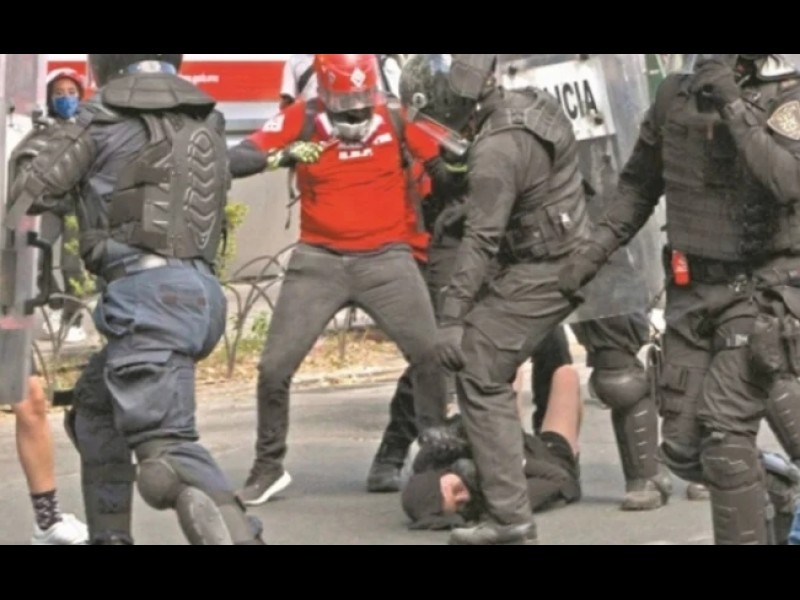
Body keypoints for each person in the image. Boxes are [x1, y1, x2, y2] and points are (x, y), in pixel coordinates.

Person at [8, 53, 264, 545]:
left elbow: (31, 190)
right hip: (200, 296)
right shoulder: (205, 120)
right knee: (95, 410)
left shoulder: (97, 121)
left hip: (147, 300)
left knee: (166, 457)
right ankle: (109, 537)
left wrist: (38, 136)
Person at [557, 53, 800, 544]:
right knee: (684, 450)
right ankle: (782, 494)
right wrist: (588, 257)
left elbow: (787, 180)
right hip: (693, 294)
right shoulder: (675, 95)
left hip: (762, 289)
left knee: (725, 438)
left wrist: (732, 103)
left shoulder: (789, 96)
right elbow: (637, 187)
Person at [227, 54, 455, 507]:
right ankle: (268, 466)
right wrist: (281, 156)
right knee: (273, 368)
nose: (355, 112)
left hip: (387, 257)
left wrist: (453, 167)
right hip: (319, 259)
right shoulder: (303, 117)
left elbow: (447, 165)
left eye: (362, 101)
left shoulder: (396, 115)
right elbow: (236, 158)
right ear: (325, 94)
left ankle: (434, 457)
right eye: (345, 104)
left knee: (431, 355)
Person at [398, 54, 607, 545]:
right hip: (557, 255)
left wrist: (452, 318)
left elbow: (481, 241)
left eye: (435, 114)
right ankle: (509, 505)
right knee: (488, 362)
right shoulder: (529, 105)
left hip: (545, 267)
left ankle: (511, 518)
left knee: (477, 365)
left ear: (452, 101)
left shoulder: (495, 149)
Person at [401, 365, 582, 532]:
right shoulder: (500, 501)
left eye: (454, 491)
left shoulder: (431, 460)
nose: (463, 498)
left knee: (502, 371)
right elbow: (558, 477)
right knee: (566, 376)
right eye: (460, 506)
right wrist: (505, 461)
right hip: (546, 458)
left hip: (505, 438)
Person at [37, 68, 89, 345]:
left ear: (80, 96)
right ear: (49, 97)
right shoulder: (42, 128)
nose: (65, 98)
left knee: (71, 265)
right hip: (49, 202)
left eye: (71, 92)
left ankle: (74, 320)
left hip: (76, 206)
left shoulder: (89, 127)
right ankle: (56, 306)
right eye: (58, 93)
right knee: (36, 255)